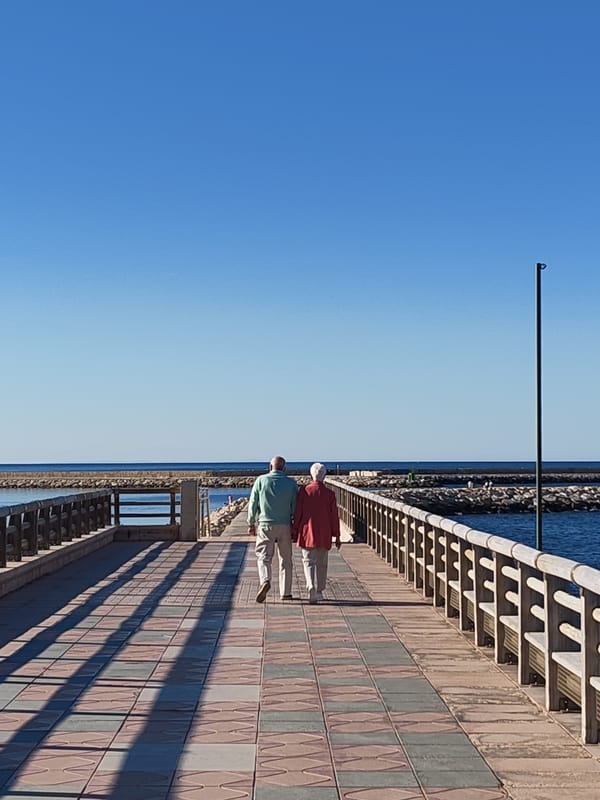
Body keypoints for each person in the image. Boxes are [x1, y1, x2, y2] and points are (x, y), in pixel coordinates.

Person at [247, 455, 298, 603]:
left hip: (265, 524)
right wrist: (295, 525)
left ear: (270, 467)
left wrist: (251, 523)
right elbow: (295, 506)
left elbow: (253, 503)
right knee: (286, 559)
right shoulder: (291, 483)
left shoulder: (261, 481)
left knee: (263, 557)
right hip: (285, 524)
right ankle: (286, 592)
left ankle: (265, 580)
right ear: (285, 468)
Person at [292, 462, 340, 604]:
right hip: (324, 532)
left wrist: (295, 529)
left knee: (308, 561)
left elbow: (298, 513)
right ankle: (319, 591)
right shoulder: (330, 494)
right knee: (322, 563)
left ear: (311, 475)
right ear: (324, 476)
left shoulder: (304, 491)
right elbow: (334, 516)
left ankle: (310, 584)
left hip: (307, 531)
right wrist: (336, 535)